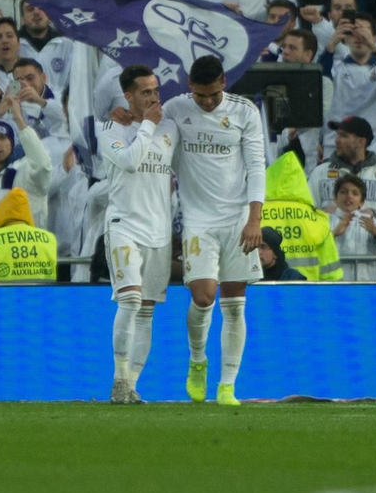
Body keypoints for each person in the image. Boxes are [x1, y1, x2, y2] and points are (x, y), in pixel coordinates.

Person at [163, 54, 266, 406]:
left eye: (213, 95)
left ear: (224, 82)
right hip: (197, 220)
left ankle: (227, 386)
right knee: (203, 296)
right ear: (190, 86)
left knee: (235, 305)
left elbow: (256, 165)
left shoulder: (244, 111)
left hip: (237, 218)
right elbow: (150, 133)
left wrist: (254, 218)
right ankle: (197, 360)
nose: (207, 102)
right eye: (200, 96)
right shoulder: (175, 109)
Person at [98, 64, 177, 404]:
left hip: (159, 231)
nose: (153, 97)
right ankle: (118, 379)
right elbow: (130, 162)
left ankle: (131, 385)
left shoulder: (170, 127)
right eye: (145, 92)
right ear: (128, 96)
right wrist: (147, 125)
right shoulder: (111, 128)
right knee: (129, 300)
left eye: (156, 90)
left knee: (146, 311)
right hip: (124, 225)